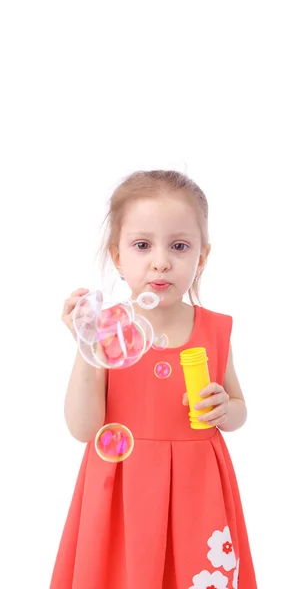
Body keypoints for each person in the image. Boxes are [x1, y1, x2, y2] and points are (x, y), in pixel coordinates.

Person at [50, 170, 257, 588]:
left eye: (179, 246)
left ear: (202, 257)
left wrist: (225, 408)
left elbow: (238, 409)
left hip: (197, 489)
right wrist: (87, 346)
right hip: (123, 489)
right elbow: (83, 428)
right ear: (116, 256)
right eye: (142, 245)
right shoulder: (108, 331)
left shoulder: (214, 330)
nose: (161, 261)